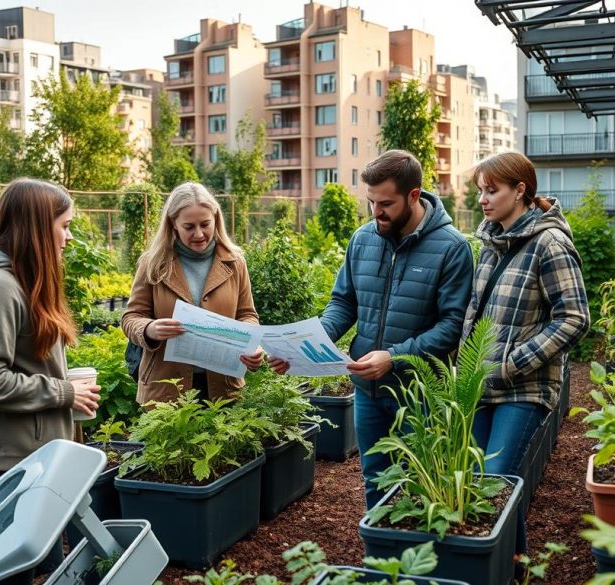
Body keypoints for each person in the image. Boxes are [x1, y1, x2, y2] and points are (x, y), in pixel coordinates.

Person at [269, 149, 474, 508]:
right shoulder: (362, 240)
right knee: (375, 481)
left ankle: (416, 561)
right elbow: (343, 304)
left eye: (386, 203)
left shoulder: (452, 248)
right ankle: (380, 559)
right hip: (368, 390)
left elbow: (453, 326)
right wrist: (305, 343)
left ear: (414, 195)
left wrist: (394, 358)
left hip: (420, 394)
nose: (376, 212)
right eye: (371, 202)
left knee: (422, 486)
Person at [0, 178, 101, 583]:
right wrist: (63, 392)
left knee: (43, 568)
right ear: (36, 226)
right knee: (11, 576)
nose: (68, 236)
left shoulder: (20, 281)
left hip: (35, 459)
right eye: (63, 225)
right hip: (8, 465)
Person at [464, 152, 590, 560]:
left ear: (521, 190)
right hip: (480, 383)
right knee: (485, 485)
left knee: (497, 478)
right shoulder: (490, 241)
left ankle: (508, 566)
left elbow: (574, 318)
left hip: (524, 387)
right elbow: (477, 310)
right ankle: (512, 565)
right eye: (480, 190)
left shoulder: (549, 243)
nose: (483, 199)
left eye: (492, 190)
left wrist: (511, 363)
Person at [122, 182, 263, 404]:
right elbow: (131, 317)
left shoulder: (234, 262)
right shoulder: (153, 263)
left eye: (205, 224)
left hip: (223, 389)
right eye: (189, 227)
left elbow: (247, 314)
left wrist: (250, 345)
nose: (199, 234)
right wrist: (150, 329)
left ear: (216, 219)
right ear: (173, 224)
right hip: (166, 391)